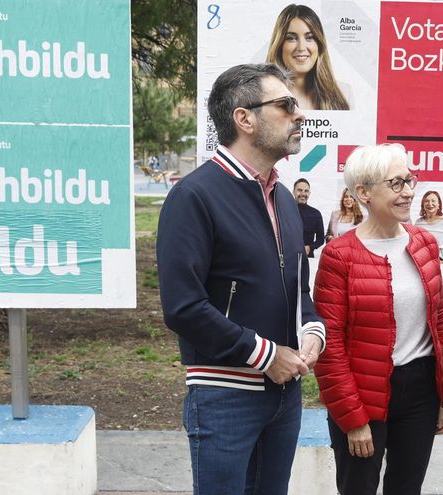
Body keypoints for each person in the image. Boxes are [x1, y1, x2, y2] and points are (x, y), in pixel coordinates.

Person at [156, 63, 326, 495]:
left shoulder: (285, 199)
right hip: (223, 395)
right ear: (244, 118)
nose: (299, 114)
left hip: (285, 396)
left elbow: (297, 288)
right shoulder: (193, 195)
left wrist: (312, 331)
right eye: (286, 105)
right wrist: (267, 355)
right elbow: (183, 307)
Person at [314, 143, 443, 495]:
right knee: (358, 488)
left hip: (420, 389)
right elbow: (329, 345)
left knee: (406, 488)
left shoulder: (424, 242)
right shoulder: (339, 255)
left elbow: (438, 323)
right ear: (362, 192)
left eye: (409, 180)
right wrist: (352, 419)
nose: (409, 191)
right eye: (396, 184)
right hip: (362, 391)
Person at [265, 4, 350, 110]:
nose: (301, 47)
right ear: (279, 45)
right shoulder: (262, 94)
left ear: (319, 44)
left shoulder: (344, 93)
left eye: (309, 38)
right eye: (291, 38)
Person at [293, 178, 325, 258]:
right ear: (293, 191)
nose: (303, 193)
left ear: (309, 193)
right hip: (287, 258)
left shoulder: (316, 214)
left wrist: (310, 247)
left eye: (306, 191)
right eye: (299, 190)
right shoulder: (284, 210)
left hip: (308, 259)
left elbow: (320, 239)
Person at [414, 190, 443, 263]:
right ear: (423, 205)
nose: (430, 204)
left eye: (433, 201)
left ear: (439, 204)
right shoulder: (418, 223)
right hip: (425, 264)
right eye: (426, 201)